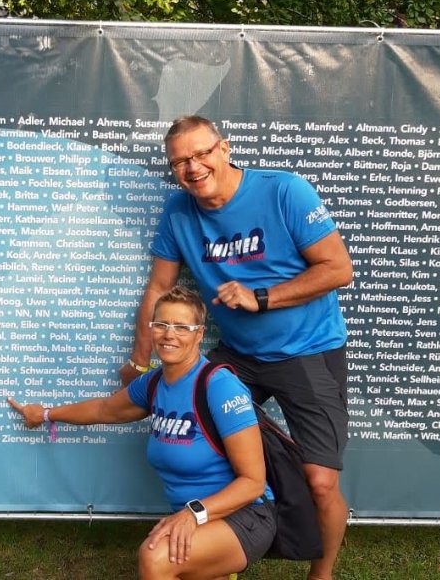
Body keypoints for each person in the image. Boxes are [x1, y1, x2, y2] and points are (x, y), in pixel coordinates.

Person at [118, 115, 353, 580]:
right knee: (204, 443)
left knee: (320, 481)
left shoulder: (284, 191)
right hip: (239, 355)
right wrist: (139, 361)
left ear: (224, 149)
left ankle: (321, 574)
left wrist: (260, 297)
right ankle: (219, 550)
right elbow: (158, 288)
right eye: (180, 162)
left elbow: (337, 269)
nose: (193, 167)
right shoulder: (178, 212)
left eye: (201, 153)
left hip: (308, 350)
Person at [9, 287, 276, 580]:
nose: (169, 334)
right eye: (161, 324)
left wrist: (193, 513)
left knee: (156, 557)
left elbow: (252, 482)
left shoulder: (220, 385)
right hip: (195, 519)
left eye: (181, 327)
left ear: (199, 334)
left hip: (244, 515)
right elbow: (104, 410)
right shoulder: (153, 383)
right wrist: (46, 414)